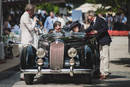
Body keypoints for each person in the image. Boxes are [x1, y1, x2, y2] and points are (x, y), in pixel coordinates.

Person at [85, 10, 112, 80]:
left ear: (92, 15)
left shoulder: (100, 20)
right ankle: (102, 72)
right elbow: (89, 29)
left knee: (105, 57)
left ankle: (105, 73)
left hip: (105, 40)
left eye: (88, 16)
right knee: (101, 57)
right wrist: (81, 32)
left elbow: (106, 28)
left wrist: (97, 31)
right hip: (100, 41)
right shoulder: (92, 22)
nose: (88, 18)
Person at [20, 4, 38, 80]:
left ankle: (27, 74)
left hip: (29, 40)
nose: (33, 13)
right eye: (33, 11)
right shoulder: (25, 16)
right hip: (27, 41)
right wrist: (34, 21)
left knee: (29, 59)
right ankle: (24, 75)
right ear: (30, 10)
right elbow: (30, 28)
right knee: (26, 60)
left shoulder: (26, 16)